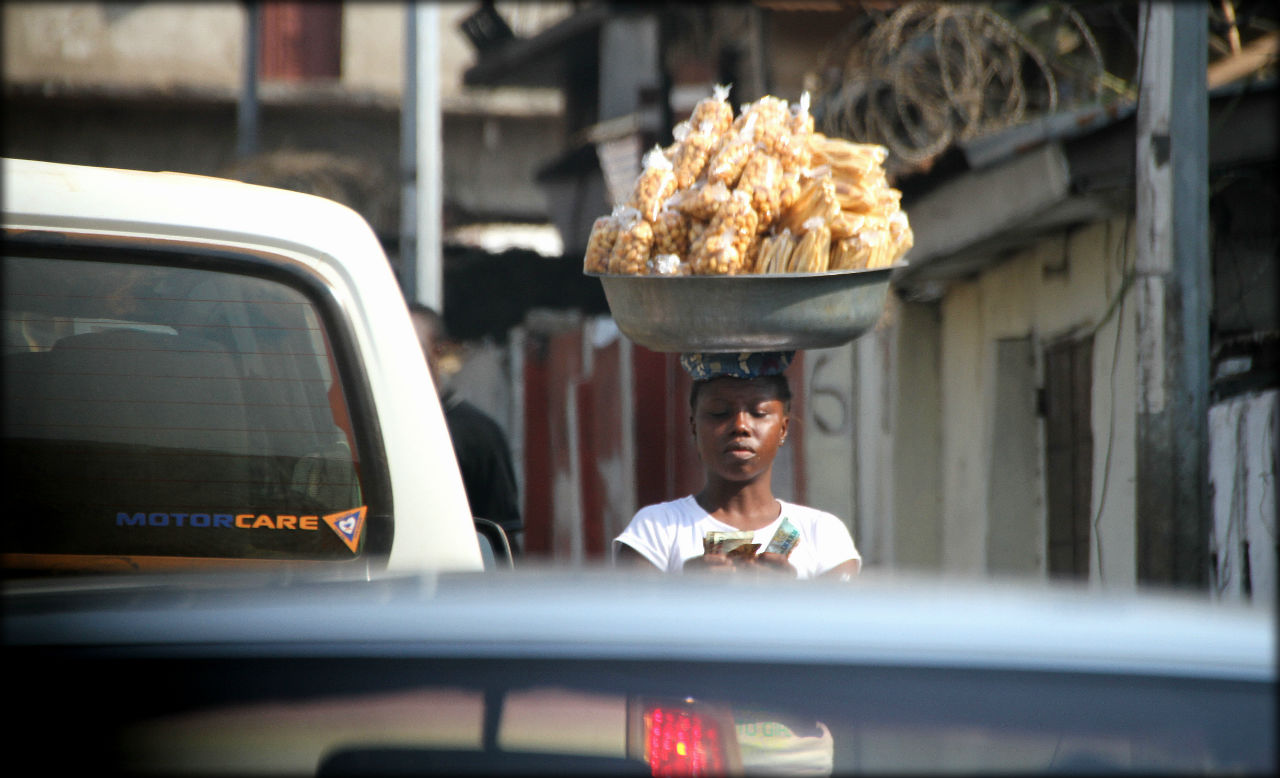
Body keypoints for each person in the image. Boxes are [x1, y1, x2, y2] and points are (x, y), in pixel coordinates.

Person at [614, 350, 860, 580]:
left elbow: (846, 621)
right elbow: (628, 619)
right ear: (694, 426)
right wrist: (682, 588)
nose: (740, 426)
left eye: (759, 413)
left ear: (783, 428)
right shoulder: (656, 529)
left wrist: (792, 595)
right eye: (719, 413)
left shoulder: (822, 533)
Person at [409, 303, 523, 554]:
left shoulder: (480, 435)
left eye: (411, 346)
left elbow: (503, 538)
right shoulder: (365, 430)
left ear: (439, 352)